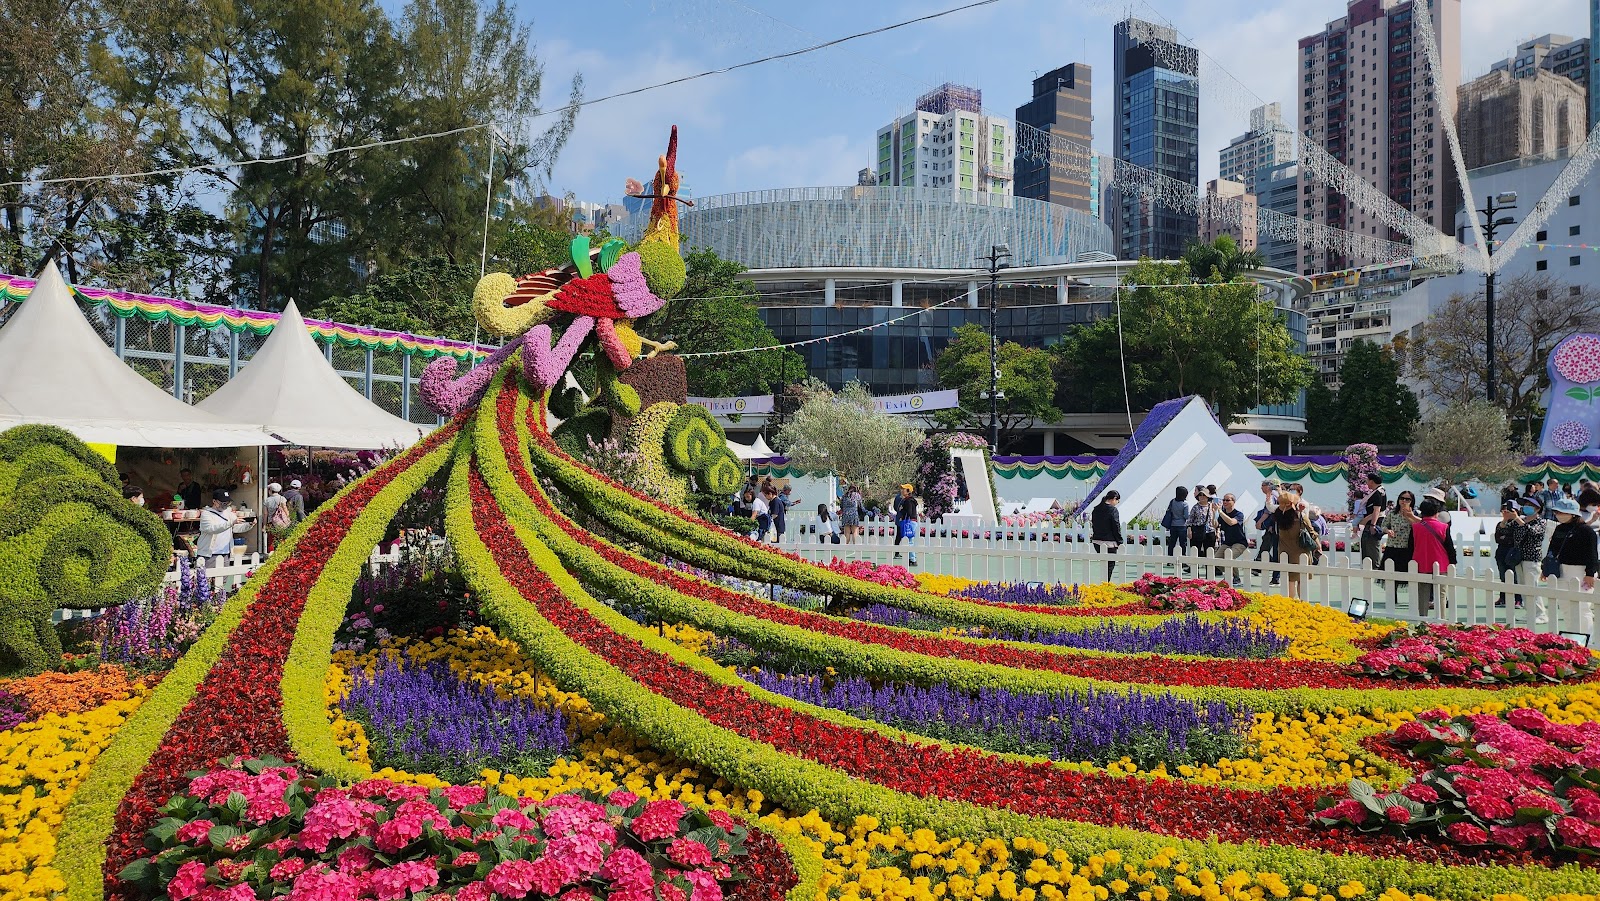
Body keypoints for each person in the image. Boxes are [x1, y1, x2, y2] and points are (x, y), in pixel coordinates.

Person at [1546, 496, 1598, 597]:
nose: (1559, 515)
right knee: (1564, 604)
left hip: (1580, 570)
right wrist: (1546, 567)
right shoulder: (1559, 528)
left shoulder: (1586, 531)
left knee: (1582, 606)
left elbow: (1592, 553)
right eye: (1557, 512)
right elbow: (1552, 549)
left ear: (1573, 514)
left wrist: (1590, 573)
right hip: (1560, 569)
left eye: (1562, 512)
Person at [1410, 497, 1454, 617]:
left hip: (1421, 563)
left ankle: (1423, 618)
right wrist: (1453, 561)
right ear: (1437, 512)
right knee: (1441, 593)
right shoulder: (1444, 527)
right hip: (1441, 563)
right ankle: (1441, 619)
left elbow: (1411, 546)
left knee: (1423, 593)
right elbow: (1449, 546)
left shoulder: (1415, 527)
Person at [1272, 491, 1314, 599]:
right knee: (1301, 579)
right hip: (1301, 551)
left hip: (1284, 551)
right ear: (1292, 503)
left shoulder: (1277, 516)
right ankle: (1302, 603)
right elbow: (1312, 532)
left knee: (1289, 580)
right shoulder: (1300, 517)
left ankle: (1290, 603)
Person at [196, 488, 252, 567]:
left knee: (223, 579)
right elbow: (211, 529)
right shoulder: (206, 514)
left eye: (227, 502)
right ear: (214, 501)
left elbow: (235, 528)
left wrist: (249, 524)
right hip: (209, 555)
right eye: (222, 502)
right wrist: (230, 523)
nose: (225, 505)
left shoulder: (228, 513)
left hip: (225, 553)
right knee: (207, 578)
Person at [1495, 500, 1529, 608]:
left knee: (1516, 577)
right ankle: (1503, 597)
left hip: (1514, 553)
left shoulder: (1519, 522)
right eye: (1504, 510)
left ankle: (1518, 599)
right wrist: (1504, 521)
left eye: (1510, 510)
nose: (1507, 512)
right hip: (1501, 553)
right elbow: (1498, 537)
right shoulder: (1501, 523)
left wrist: (1506, 537)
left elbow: (1518, 537)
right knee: (1503, 576)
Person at [1355, 474, 1388, 572]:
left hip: (1373, 523)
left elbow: (1377, 510)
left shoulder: (1378, 493)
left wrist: (1373, 525)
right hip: (1370, 522)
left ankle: (1374, 567)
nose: (1366, 483)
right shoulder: (1379, 491)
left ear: (1372, 481)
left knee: (1371, 545)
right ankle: (1369, 566)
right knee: (1367, 545)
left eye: (1367, 481)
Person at [1381, 491, 1418, 576]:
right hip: (1392, 546)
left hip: (1407, 547)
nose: (1404, 501)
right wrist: (1388, 531)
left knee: (1405, 575)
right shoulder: (1392, 513)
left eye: (1407, 499)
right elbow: (1383, 526)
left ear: (1412, 501)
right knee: (1390, 575)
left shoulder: (1416, 514)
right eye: (1402, 498)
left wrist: (1409, 516)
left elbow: (1418, 527)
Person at [1216, 493, 1249, 584]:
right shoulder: (1222, 514)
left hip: (1240, 542)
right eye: (1224, 500)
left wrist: (1220, 512)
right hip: (1228, 542)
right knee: (1216, 559)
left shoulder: (1239, 514)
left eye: (1227, 500)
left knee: (1229, 557)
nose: (1225, 502)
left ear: (1233, 502)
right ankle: (1229, 575)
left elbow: (1231, 522)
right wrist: (1213, 512)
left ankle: (1236, 577)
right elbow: (1215, 525)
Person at [1090, 490, 1123, 581]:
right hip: (1110, 542)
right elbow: (1116, 526)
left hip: (1097, 541)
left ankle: (1104, 583)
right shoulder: (1113, 510)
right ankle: (1106, 584)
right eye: (1117, 500)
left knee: (1104, 564)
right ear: (1114, 499)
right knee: (1110, 565)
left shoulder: (1096, 509)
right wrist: (1120, 540)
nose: (1117, 503)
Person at [1253, 480, 1281, 586]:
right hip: (1273, 528)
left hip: (1274, 528)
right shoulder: (1276, 495)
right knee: (1269, 548)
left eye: (1263, 486)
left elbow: (1269, 511)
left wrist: (1260, 522)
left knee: (1275, 552)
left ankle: (1275, 577)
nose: (1261, 488)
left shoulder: (1272, 496)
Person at [1186, 489, 1218, 561]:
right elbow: (1190, 520)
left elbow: (1216, 519)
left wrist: (1217, 531)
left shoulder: (1212, 506)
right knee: (1195, 551)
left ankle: (1209, 570)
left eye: (1204, 495)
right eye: (1200, 495)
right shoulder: (1195, 507)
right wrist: (1189, 530)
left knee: (1209, 552)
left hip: (1210, 531)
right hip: (1198, 531)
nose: (1202, 497)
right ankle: (1195, 569)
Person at [893, 483, 919, 566]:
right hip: (912, 521)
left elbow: (909, 512)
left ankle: (912, 559)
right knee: (909, 540)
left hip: (909, 522)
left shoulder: (908, 501)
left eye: (903, 489)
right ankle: (911, 558)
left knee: (910, 540)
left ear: (908, 491)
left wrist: (902, 512)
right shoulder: (910, 500)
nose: (901, 490)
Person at [1163, 486, 1191, 561]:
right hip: (1182, 525)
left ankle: (1170, 559)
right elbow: (1186, 516)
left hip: (1173, 525)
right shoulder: (1185, 504)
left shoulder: (1172, 501)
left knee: (1172, 543)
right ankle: (1183, 559)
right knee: (1183, 543)